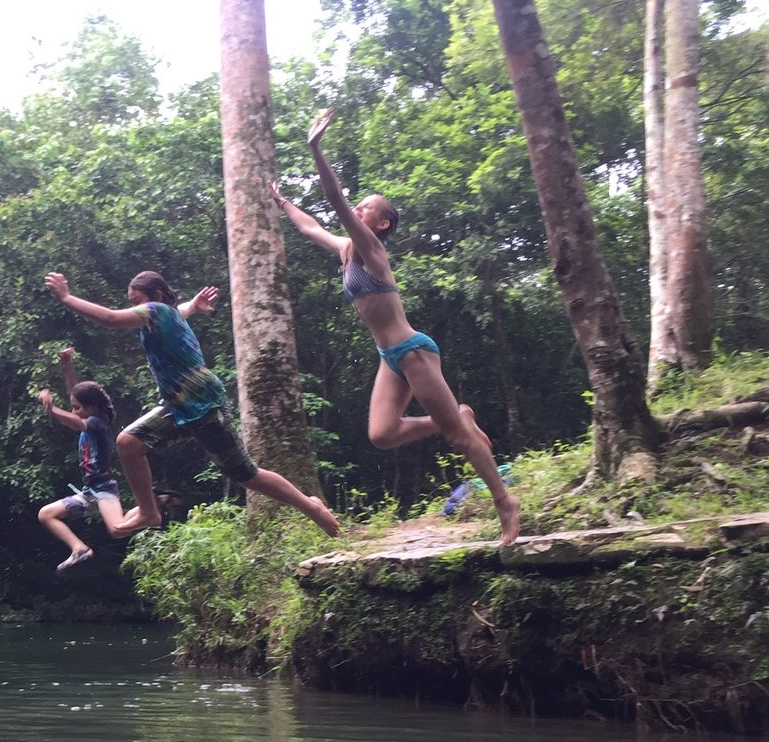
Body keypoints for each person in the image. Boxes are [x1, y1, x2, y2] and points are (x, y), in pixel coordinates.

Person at [270, 107, 521, 546]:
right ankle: (455, 416)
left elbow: (333, 201)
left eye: (367, 208)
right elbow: (312, 226)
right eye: (360, 205)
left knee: (461, 439)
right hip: (391, 357)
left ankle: (504, 502)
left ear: (380, 224)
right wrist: (285, 202)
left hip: (413, 350)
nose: (359, 209)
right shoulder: (346, 249)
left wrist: (316, 149)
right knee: (382, 434)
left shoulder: (370, 249)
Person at [43, 270, 341, 539]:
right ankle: (149, 512)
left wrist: (67, 297)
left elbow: (110, 319)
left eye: (138, 301)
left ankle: (310, 506)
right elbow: (179, 311)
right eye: (132, 302)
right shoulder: (166, 315)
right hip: (176, 405)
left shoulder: (157, 311)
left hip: (202, 402)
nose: (136, 307)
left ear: (156, 297)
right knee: (129, 443)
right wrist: (194, 307)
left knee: (247, 474)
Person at [36, 347, 125, 570]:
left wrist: (51, 408)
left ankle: (150, 504)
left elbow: (77, 422)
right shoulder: (89, 411)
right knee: (45, 514)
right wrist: (67, 365)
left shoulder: (98, 422)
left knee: (117, 529)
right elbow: (75, 391)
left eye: (77, 408)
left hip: (104, 489)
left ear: (92, 407)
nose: (74, 411)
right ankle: (79, 548)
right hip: (89, 492)